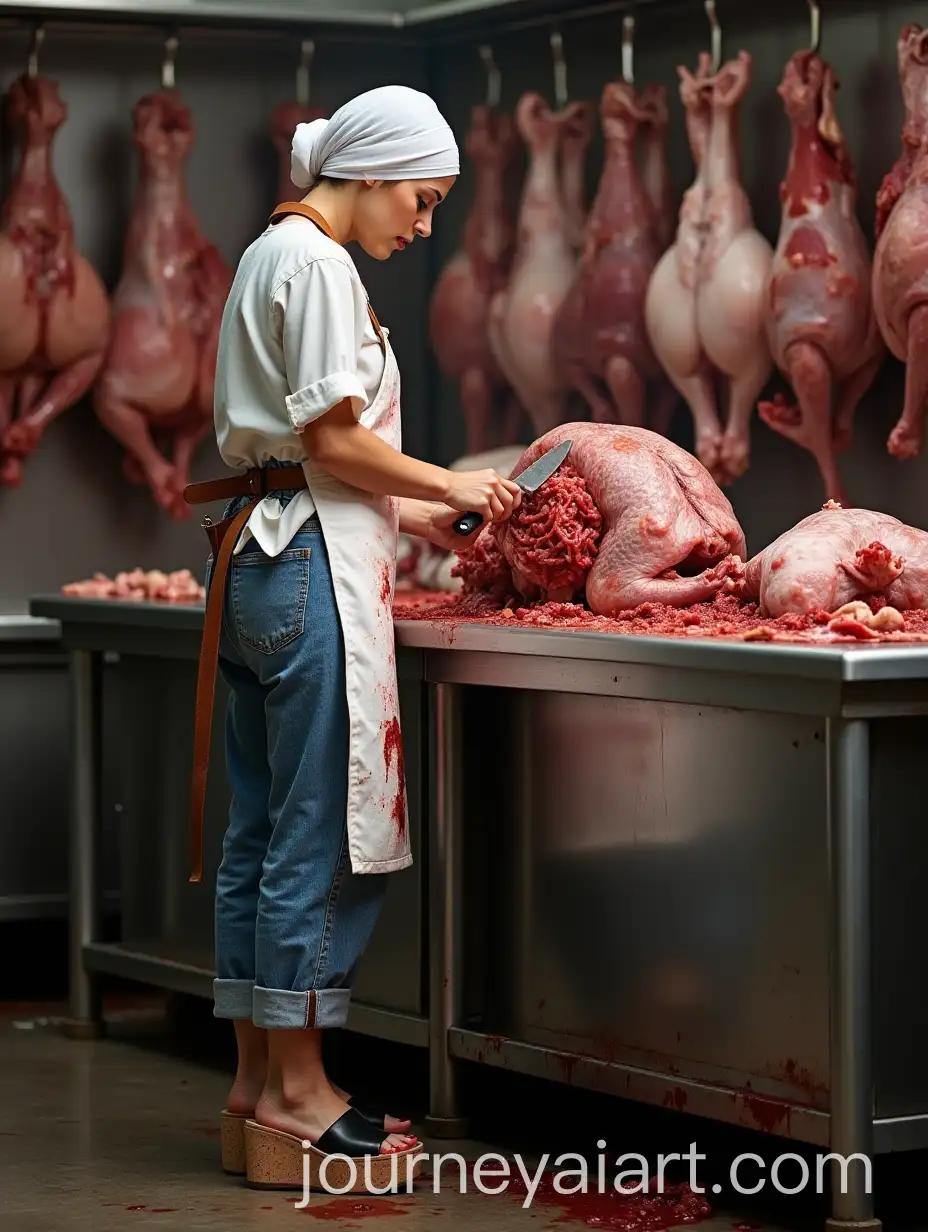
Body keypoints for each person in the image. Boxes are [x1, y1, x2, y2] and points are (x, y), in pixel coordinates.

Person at [182, 84, 522, 1193]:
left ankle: (252, 1083)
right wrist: (448, 477)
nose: (421, 226)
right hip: (307, 575)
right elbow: (334, 433)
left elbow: (304, 450)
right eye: (420, 202)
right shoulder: (321, 263)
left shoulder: (267, 253)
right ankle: (300, 1091)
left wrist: (426, 513)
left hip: (261, 556)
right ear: (372, 172)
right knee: (317, 835)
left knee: (261, 830)